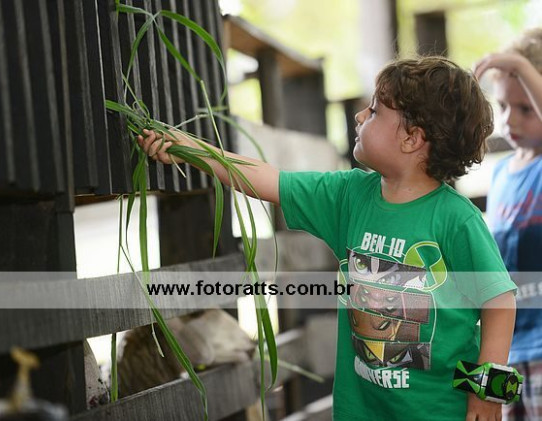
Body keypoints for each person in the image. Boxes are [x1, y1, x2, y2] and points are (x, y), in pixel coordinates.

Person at [138, 56, 517, 421]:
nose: (360, 116)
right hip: (363, 411)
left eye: (374, 111)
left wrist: (489, 390)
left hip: (441, 411)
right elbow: (269, 179)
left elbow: (499, 299)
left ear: (412, 138)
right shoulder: (349, 197)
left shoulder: (455, 219)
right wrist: (192, 149)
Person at [475, 28, 542, 421]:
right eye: (502, 105)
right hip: (505, 353)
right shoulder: (500, 175)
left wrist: (518, 64)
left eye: (525, 108)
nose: (508, 119)